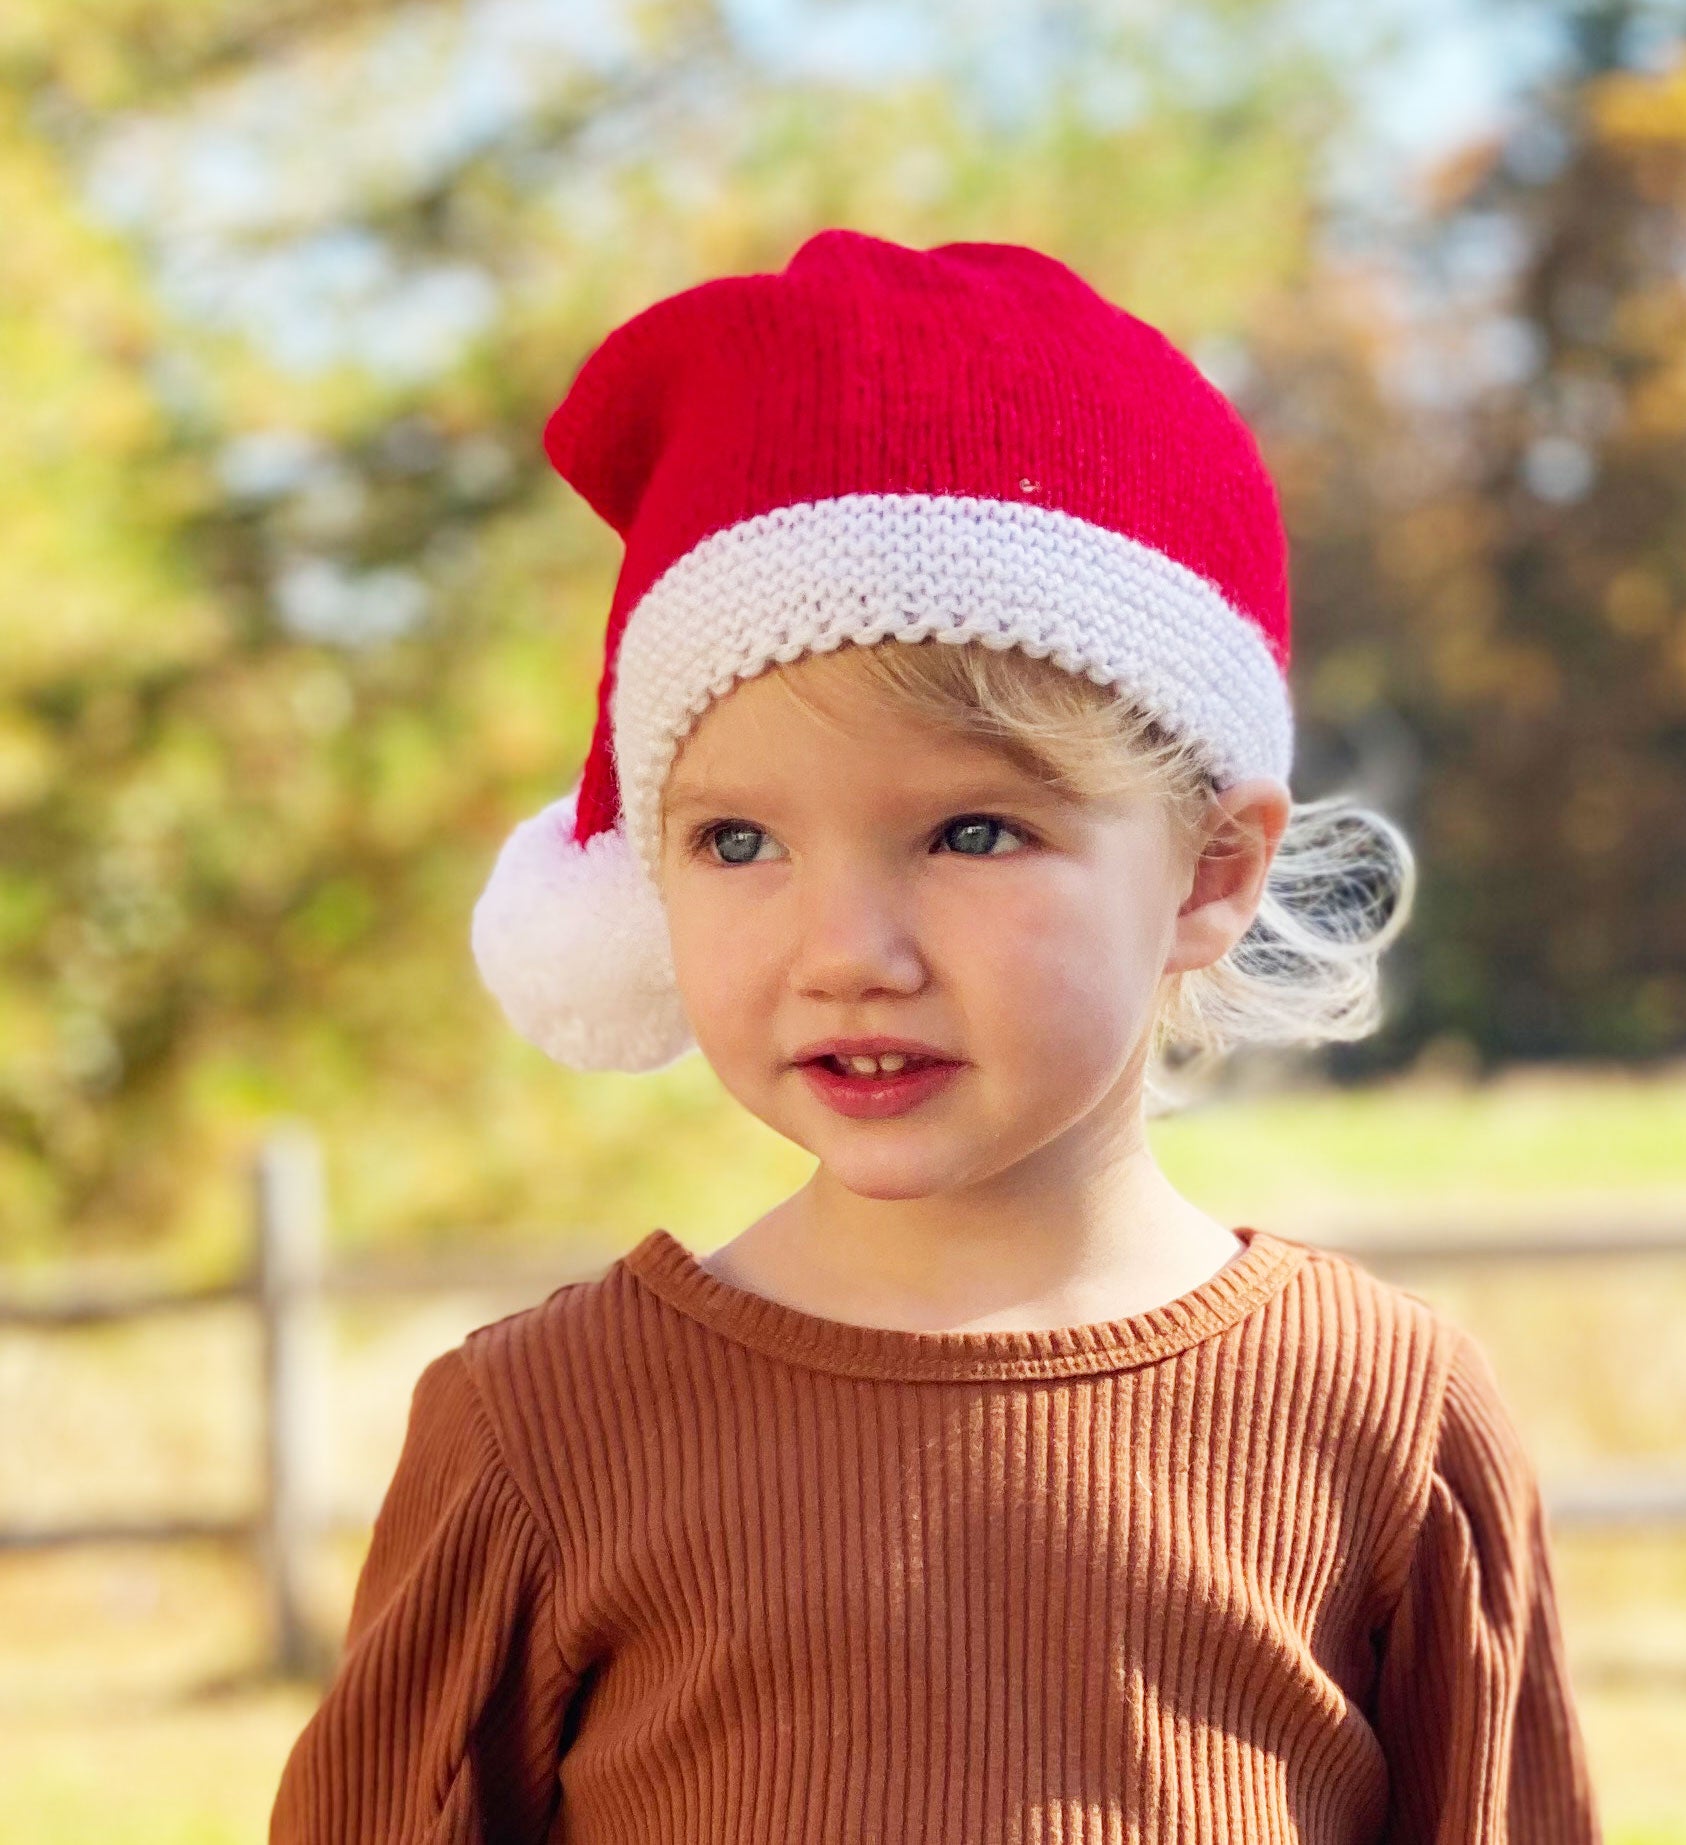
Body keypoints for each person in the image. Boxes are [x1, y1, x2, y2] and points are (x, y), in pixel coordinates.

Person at [269, 227, 1602, 1843]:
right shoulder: (539, 1433)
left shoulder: (1386, 1424)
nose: (847, 953)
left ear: (1213, 869)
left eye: (970, 833)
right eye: (738, 842)